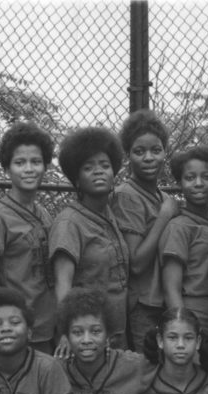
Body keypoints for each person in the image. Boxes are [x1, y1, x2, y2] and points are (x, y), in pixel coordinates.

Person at [0, 122, 56, 353]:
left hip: (46, 326)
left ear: (45, 166)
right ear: (6, 169)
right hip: (14, 329)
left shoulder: (43, 213)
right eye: (20, 163)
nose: (29, 169)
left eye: (36, 162)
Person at [51, 127, 130, 352]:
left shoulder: (110, 215)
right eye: (88, 167)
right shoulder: (69, 222)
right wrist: (66, 332)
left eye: (105, 166)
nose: (98, 172)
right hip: (85, 335)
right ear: (76, 177)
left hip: (116, 330)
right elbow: (62, 283)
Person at [111, 110, 180, 351]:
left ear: (165, 153)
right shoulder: (127, 196)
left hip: (168, 301)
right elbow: (136, 263)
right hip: (143, 306)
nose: (149, 158)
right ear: (128, 155)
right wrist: (163, 216)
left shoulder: (163, 197)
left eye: (156, 150)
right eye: (139, 152)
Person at [160, 146, 208, 334]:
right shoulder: (178, 227)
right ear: (179, 184)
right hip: (195, 316)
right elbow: (171, 288)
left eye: (206, 176)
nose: (198, 183)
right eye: (190, 178)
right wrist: (185, 330)